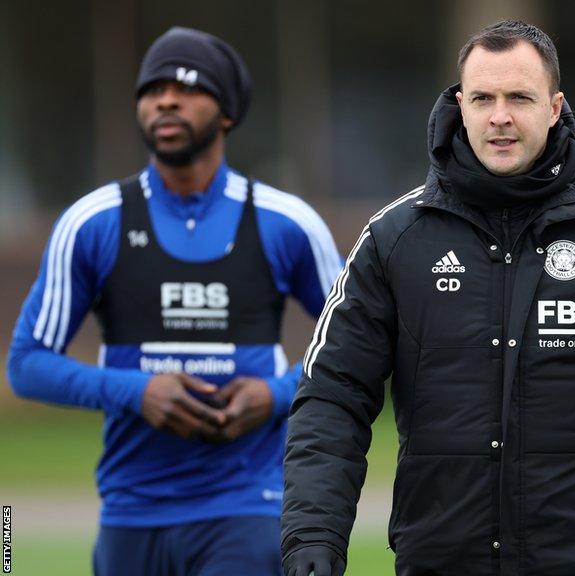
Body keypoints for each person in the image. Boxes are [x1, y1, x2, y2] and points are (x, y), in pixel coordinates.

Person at [281, 19, 575, 576]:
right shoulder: (394, 240)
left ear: (554, 107)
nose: (500, 117)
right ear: (460, 105)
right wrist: (312, 540)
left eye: (520, 97)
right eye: (483, 98)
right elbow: (332, 397)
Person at [5, 27, 343, 575]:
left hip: (247, 507)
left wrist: (277, 394)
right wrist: (138, 393)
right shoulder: (92, 223)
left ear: (227, 112)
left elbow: (360, 350)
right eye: (151, 89)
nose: (165, 99)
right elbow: (26, 365)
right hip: (130, 513)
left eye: (187, 87)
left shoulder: (287, 224)